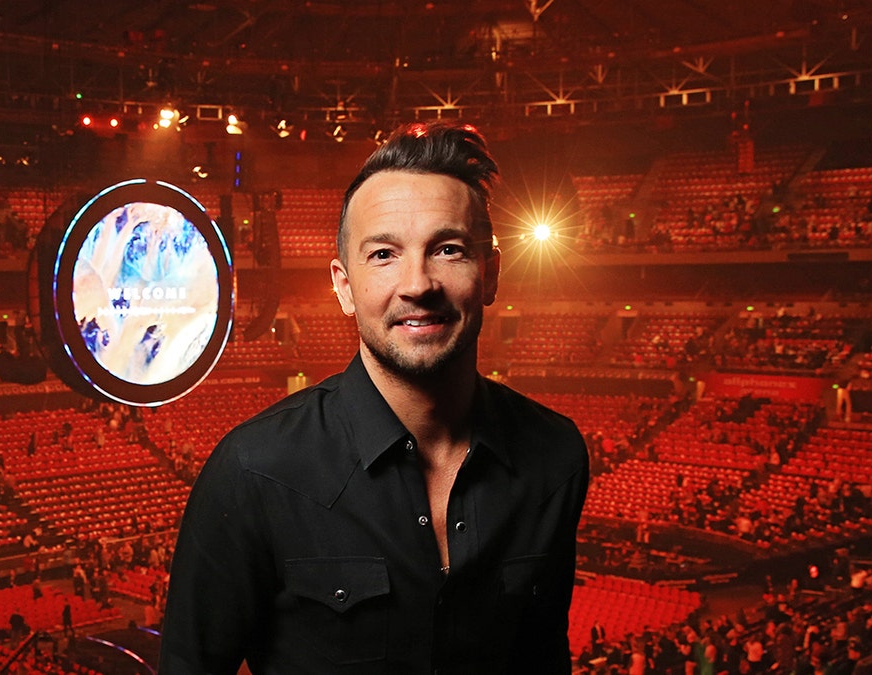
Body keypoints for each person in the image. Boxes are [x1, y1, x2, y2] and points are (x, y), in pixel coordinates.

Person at [159, 121, 590, 674]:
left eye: (449, 249)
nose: (418, 283)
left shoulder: (555, 455)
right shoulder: (253, 470)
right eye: (384, 254)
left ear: (490, 273)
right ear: (343, 285)